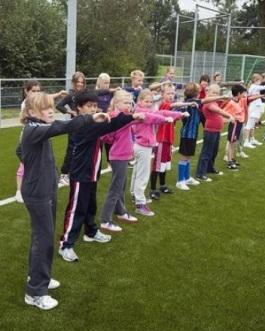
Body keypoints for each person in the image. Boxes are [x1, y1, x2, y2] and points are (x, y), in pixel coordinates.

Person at [19, 92, 108, 310]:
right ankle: (35, 292)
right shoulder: (33, 129)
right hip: (38, 193)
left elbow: (19, 150)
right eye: (44, 108)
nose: (50, 111)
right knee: (44, 239)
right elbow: (59, 127)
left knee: (44, 238)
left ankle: (40, 278)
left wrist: (34, 167)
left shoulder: (36, 130)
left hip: (45, 190)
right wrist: (90, 118)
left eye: (50, 107)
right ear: (31, 113)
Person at [58, 90, 141, 262]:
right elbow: (112, 124)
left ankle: (91, 231)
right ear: (79, 108)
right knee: (77, 209)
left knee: (90, 205)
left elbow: (111, 125)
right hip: (81, 174)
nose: (93, 109)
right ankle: (66, 244)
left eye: (95, 106)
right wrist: (132, 116)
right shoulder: (81, 124)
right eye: (89, 106)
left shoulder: (94, 121)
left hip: (91, 172)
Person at [99, 90, 147, 232]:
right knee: (115, 189)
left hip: (124, 156)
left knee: (121, 186)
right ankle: (105, 220)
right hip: (118, 156)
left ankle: (120, 212)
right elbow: (105, 135)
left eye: (129, 103)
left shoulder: (125, 116)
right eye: (125, 103)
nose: (128, 105)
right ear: (116, 103)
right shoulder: (116, 116)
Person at [130, 89, 181, 214]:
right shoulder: (141, 112)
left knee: (137, 173)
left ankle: (134, 195)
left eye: (150, 101)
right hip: (143, 147)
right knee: (142, 177)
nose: (148, 104)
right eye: (146, 101)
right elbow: (154, 117)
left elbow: (161, 112)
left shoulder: (145, 110)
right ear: (140, 101)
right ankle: (140, 204)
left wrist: (179, 115)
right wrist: (165, 119)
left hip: (141, 146)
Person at [16, 80, 67, 203]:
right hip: (31, 135)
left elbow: (47, 98)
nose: (36, 93)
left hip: (38, 132)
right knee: (24, 166)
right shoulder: (27, 104)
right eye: (33, 91)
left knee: (41, 158)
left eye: (38, 91)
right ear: (26, 91)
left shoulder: (38, 101)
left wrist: (58, 93)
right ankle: (19, 190)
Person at [148, 85, 189, 199]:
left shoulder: (171, 109)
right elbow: (171, 106)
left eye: (172, 93)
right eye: (168, 93)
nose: (171, 96)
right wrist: (187, 104)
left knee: (164, 164)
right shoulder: (163, 105)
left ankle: (162, 185)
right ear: (162, 95)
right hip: (161, 140)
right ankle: (152, 189)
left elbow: (175, 117)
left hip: (168, 140)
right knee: (157, 164)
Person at [196, 84, 234, 181]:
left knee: (213, 151)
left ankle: (209, 168)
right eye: (213, 92)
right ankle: (200, 173)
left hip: (216, 130)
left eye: (217, 93)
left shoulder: (214, 102)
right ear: (208, 92)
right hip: (210, 130)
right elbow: (218, 110)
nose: (215, 94)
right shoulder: (209, 103)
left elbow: (220, 107)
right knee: (207, 152)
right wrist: (229, 116)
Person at [56, 71, 87, 186]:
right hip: (74, 126)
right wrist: (70, 111)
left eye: (82, 82)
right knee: (71, 149)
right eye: (77, 82)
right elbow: (58, 105)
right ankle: (64, 174)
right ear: (74, 83)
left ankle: (75, 171)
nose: (80, 84)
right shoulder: (71, 95)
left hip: (85, 125)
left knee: (82, 149)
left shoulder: (85, 94)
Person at [243, 73, 265, 148]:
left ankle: (252, 139)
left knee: (252, 125)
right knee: (248, 125)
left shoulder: (255, 86)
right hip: (253, 108)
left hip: (256, 107)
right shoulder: (254, 86)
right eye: (260, 80)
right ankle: (246, 141)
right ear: (256, 80)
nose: (261, 81)